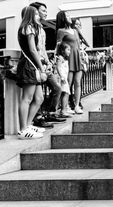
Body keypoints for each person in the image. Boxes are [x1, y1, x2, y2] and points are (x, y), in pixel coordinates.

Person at [29, 2, 65, 126]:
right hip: (35, 65)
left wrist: (48, 62)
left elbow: (42, 49)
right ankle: (38, 117)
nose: (45, 13)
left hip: (44, 65)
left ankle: (50, 114)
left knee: (57, 88)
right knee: (37, 95)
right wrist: (41, 64)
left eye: (46, 11)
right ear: (36, 12)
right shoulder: (32, 28)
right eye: (43, 11)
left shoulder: (41, 29)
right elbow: (33, 49)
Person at [16, 6, 47, 139]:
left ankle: (28, 125)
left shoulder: (29, 27)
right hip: (29, 65)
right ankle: (23, 130)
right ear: (30, 15)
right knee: (27, 98)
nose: (38, 16)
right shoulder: (28, 27)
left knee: (39, 98)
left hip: (31, 65)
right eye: (35, 14)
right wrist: (41, 68)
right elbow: (33, 50)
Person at [56, 10, 84, 114]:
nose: (69, 17)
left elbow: (79, 46)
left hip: (77, 58)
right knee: (68, 84)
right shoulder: (61, 31)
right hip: (68, 60)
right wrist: (59, 58)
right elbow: (58, 46)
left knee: (78, 83)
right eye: (67, 15)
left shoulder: (75, 31)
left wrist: (82, 56)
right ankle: (65, 106)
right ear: (63, 18)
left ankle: (77, 106)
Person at [55, 42, 72, 117]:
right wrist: (61, 76)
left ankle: (64, 109)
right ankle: (63, 110)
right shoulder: (60, 58)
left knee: (66, 93)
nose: (69, 52)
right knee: (65, 93)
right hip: (62, 78)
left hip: (64, 78)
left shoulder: (64, 59)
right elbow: (58, 67)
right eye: (68, 49)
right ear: (63, 50)